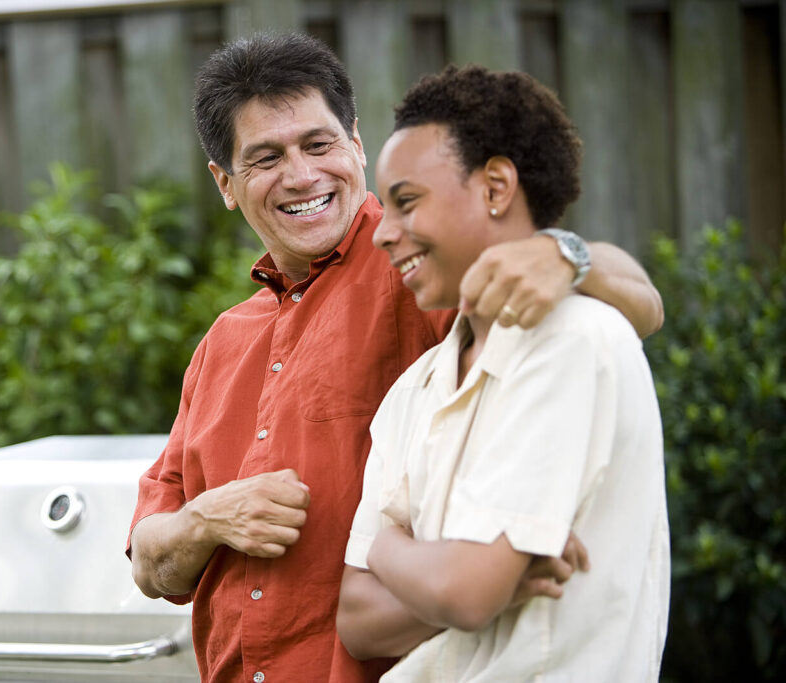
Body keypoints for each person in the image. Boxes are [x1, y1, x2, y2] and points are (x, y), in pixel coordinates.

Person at [128, 32, 663, 682]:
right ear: (226, 184)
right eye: (266, 157)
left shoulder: (420, 271)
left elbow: (636, 304)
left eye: (318, 144)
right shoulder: (222, 344)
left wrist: (564, 254)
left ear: (354, 143)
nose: (301, 175)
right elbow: (150, 563)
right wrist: (209, 517)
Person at [336, 65, 669, 681]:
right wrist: (454, 577)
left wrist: (392, 552)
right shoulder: (414, 390)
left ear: (495, 187)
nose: (382, 231)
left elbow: (465, 592)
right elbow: (357, 619)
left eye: (406, 201)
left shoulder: (571, 340)